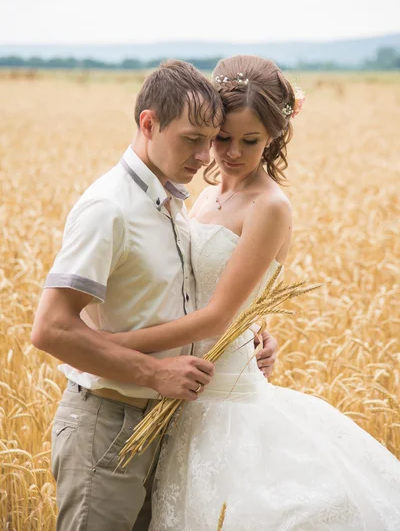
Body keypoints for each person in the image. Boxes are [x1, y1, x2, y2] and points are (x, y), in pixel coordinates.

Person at [102, 56, 400, 530]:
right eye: (222, 138)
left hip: (226, 400)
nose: (232, 152)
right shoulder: (203, 196)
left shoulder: (270, 206)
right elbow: (227, 294)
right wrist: (260, 329)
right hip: (180, 392)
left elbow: (220, 314)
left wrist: (107, 347)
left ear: (274, 138)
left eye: (251, 141)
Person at [31, 59, 278, 531]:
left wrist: (247, 340)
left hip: (166, 425)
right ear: (149, 123)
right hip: (107, 424)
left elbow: (199, 298)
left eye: (211, 139)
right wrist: (155, 371)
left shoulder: (172, 202)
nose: (207, 155)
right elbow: (51, 328)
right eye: (192, 139)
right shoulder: (110, 207)